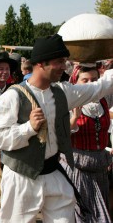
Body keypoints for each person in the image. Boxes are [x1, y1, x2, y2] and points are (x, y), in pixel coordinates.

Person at [0, 34, 113, 222]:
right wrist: (28, 128)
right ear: (40, 64)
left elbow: (99, 88)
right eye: (59, 62)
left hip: (54, 173)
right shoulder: (13, 96)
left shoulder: (63, 92)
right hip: (22, 177)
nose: (64, 66)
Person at [61, 65, 113, 222]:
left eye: (94, 80)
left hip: (99, 169)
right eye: (85, 80)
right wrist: (74, 118)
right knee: (83, 217)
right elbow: (61, 136)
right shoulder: (69, 100)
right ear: (75, 81)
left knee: (99, 215)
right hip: (78, 169)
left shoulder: (103, 101)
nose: (90, 84)